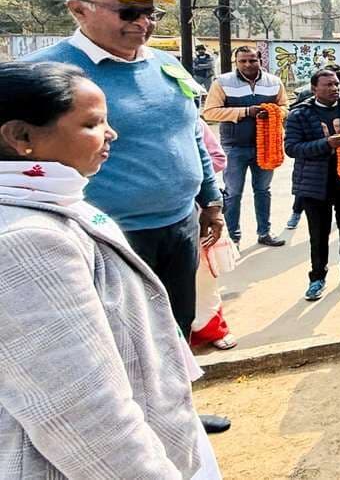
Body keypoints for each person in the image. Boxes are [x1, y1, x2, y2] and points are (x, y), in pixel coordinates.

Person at [0, 61, 222, 478]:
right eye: (93, 123)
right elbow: (83, 413)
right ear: (22, 137)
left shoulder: (54, 199)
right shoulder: (23, 243)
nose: (111, 134)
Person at [285, 68, 340, 300]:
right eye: (327, 85)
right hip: (314, 183)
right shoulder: (300, 113)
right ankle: (317, 278)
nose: (334, 88)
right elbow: (292, 148)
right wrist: (327, 144)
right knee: (319, 232)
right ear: (314, 88)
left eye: (336, 84)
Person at [203, 46, 290, 247]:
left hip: (267, 147)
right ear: (236, 62)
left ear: (260, 60)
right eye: (243, 61)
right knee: (233, 193)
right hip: (234, 147)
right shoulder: (222, 82)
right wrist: (245, 112)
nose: (248, 64)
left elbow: (285, 107)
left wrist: (274, 112)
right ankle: (233, 237)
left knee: (263, 190)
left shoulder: (274, 82)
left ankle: (264, 233)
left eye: (252, 60)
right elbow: (210, 112)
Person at [192, 121, 238, 351]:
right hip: (133, 215)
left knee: (202, 276)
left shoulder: (190, 119)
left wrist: (183, 170)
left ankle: (211, 330)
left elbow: (217, 158)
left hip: (193, 207)